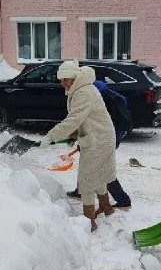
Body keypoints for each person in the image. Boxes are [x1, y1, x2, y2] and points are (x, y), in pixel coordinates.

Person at [40, 61, 117, 231]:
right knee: (97, 174)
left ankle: (89, 220)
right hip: (99, 136)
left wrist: (51, 136)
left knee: (87, 180)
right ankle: (106, 207)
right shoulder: (82, 88)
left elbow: (73, 119)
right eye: (61, 80)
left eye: (66, 79)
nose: (63, 83)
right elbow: (83, 118)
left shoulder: (84, 92)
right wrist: (73, 134)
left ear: (75, 77)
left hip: (98, 139)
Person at [66, 78, 132, 208]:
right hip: (112, 134)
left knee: (102, 168)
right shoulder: (100, 91)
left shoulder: (94, 97)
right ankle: (81, 190)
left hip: (105, 138)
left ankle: (123, 200)